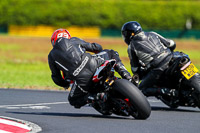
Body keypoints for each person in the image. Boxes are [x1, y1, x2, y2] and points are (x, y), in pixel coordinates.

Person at [48, 29, 131, 108]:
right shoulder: (74, 40)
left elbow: (56, 77)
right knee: (111, 53)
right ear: (67, 36)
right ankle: (127, 76)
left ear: (53, 41)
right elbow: (96, 47)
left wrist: (65, 84)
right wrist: (97, 51)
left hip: (81, 79)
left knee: (73, 100)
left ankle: (96, 96)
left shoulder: (51, 56)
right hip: (93, 63)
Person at [121, 21, 176, 97]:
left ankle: (169, 92)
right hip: (172, 58)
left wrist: (138, 73)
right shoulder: (152, 33)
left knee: (142, 89)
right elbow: (171, 44)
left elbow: (135, 68)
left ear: (131, 33)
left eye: (125, 34)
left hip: (158, 67)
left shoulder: (131, 46)